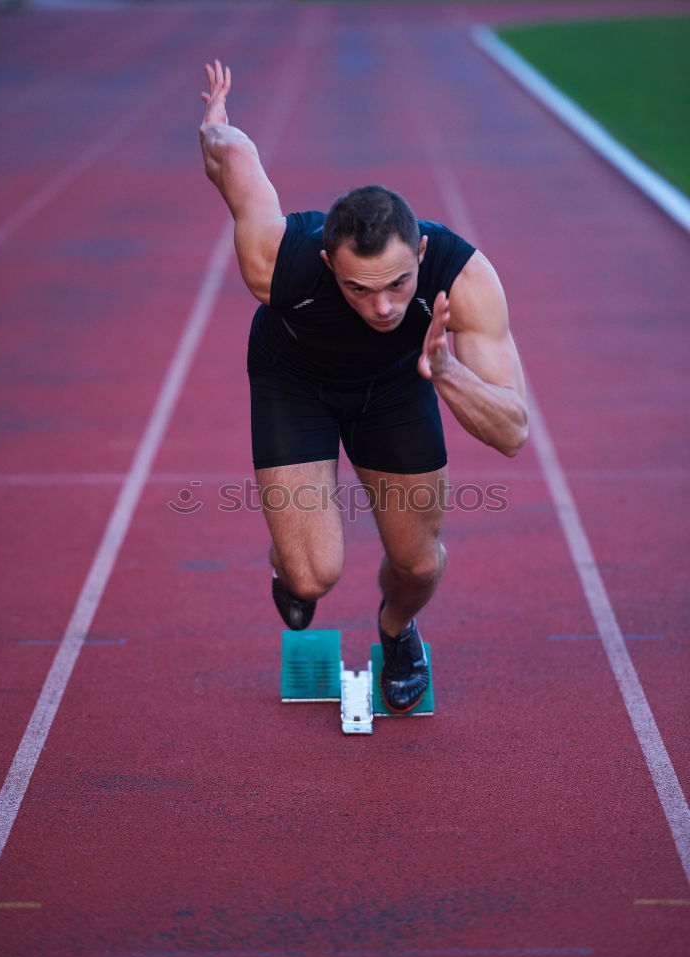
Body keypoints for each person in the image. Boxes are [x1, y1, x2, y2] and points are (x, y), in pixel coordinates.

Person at [199, 60, 528, 714]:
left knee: (418, 565)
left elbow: (513, 432)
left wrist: (447, 369)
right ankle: (287, 565)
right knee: (310, 574)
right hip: (294, 380)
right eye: (360, 289)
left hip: (397, 387)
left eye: (398, 286)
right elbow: (231, 158)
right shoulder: (278, 258)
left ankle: (398, 631)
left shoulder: (461, 278)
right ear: (328, 263)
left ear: (419, 255)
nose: (383, 309)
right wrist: (214, 121)